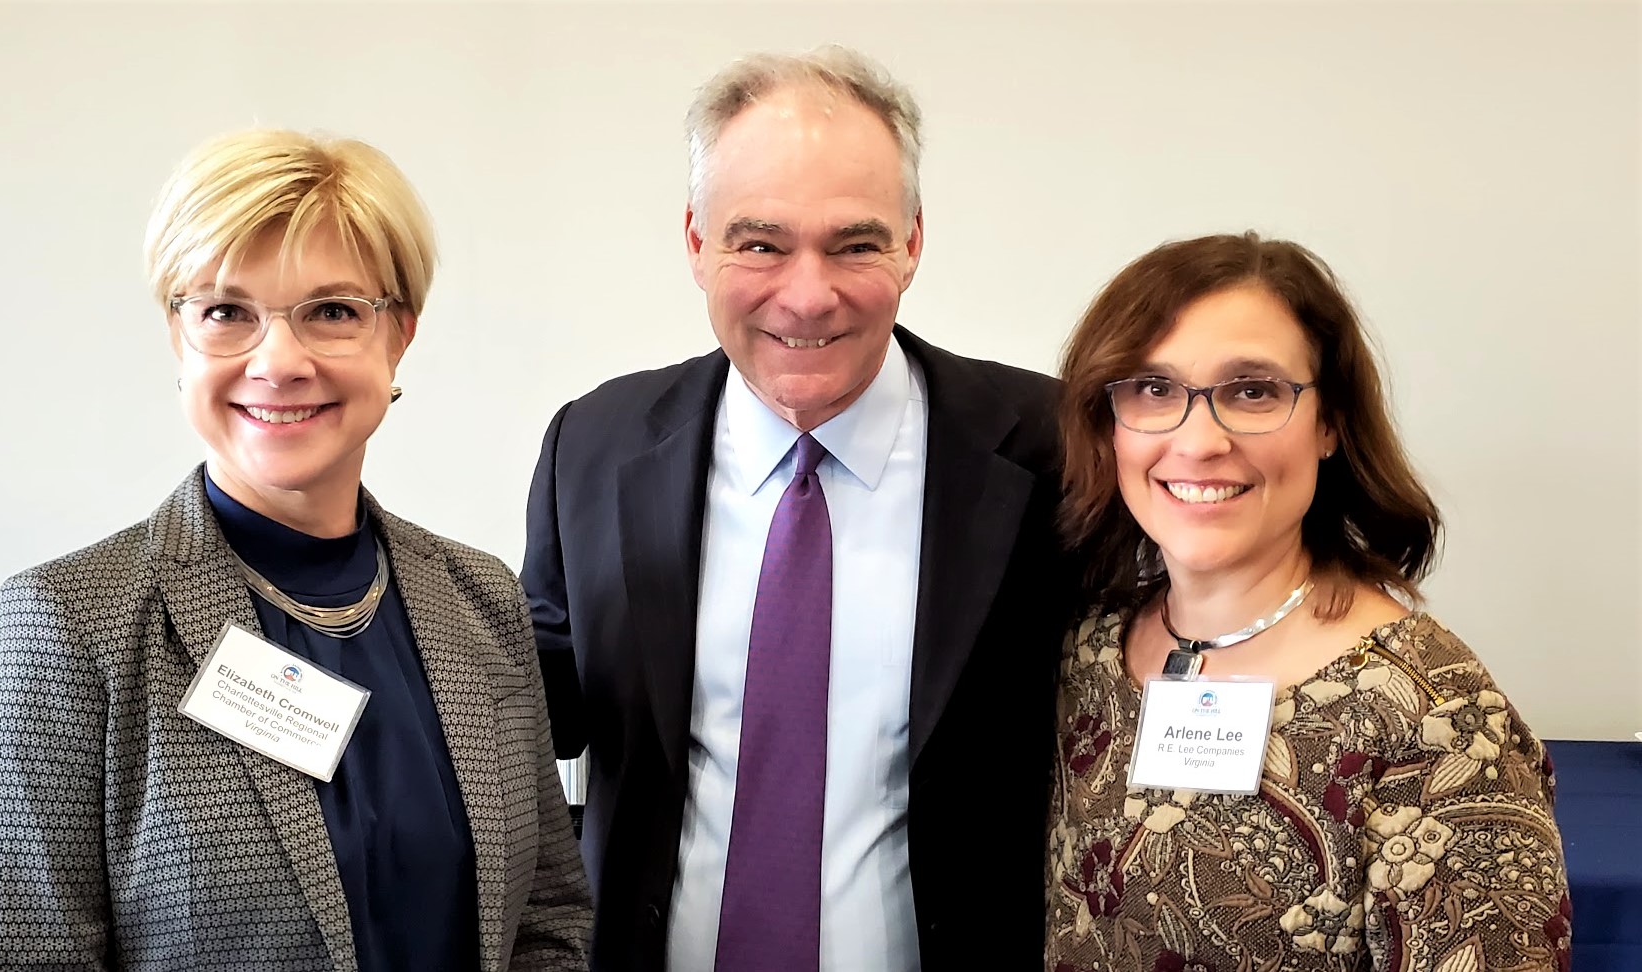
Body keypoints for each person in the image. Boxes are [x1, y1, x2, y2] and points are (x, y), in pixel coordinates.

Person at [0, 128, 592, 972]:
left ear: (396, 335)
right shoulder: (69, 624)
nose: (278, 361)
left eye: (331, 311)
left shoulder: (480, 599)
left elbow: (547, 921)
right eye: (226, 312)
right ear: (180, 340)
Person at [521, 46, 1076, 972]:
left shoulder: (1054, 450)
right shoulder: (596, 444)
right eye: (761, 242)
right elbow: (535, 701)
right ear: (696, 243)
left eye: (854, 244)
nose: (808, 293)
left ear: (913, 243)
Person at [1046, 232, 1571, 971]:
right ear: (1107, 422)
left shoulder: (1436, 723)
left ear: (1329, 423)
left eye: (1252, 390)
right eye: (1153, 389)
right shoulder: (1083, 648)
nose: (1198, 441)